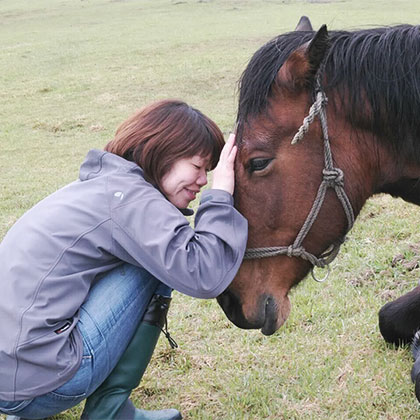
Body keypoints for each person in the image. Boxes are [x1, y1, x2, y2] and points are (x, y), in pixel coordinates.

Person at [0, 99, 248, 420]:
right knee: (156, 263)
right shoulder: (130, 199)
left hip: (12, 379)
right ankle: (111, 412)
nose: (203, 180)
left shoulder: (95, 188)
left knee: (149, 250)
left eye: (209, 173)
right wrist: (221, 196)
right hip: (43, 386)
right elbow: (201, 272)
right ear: (163, 153)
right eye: (198, 167)